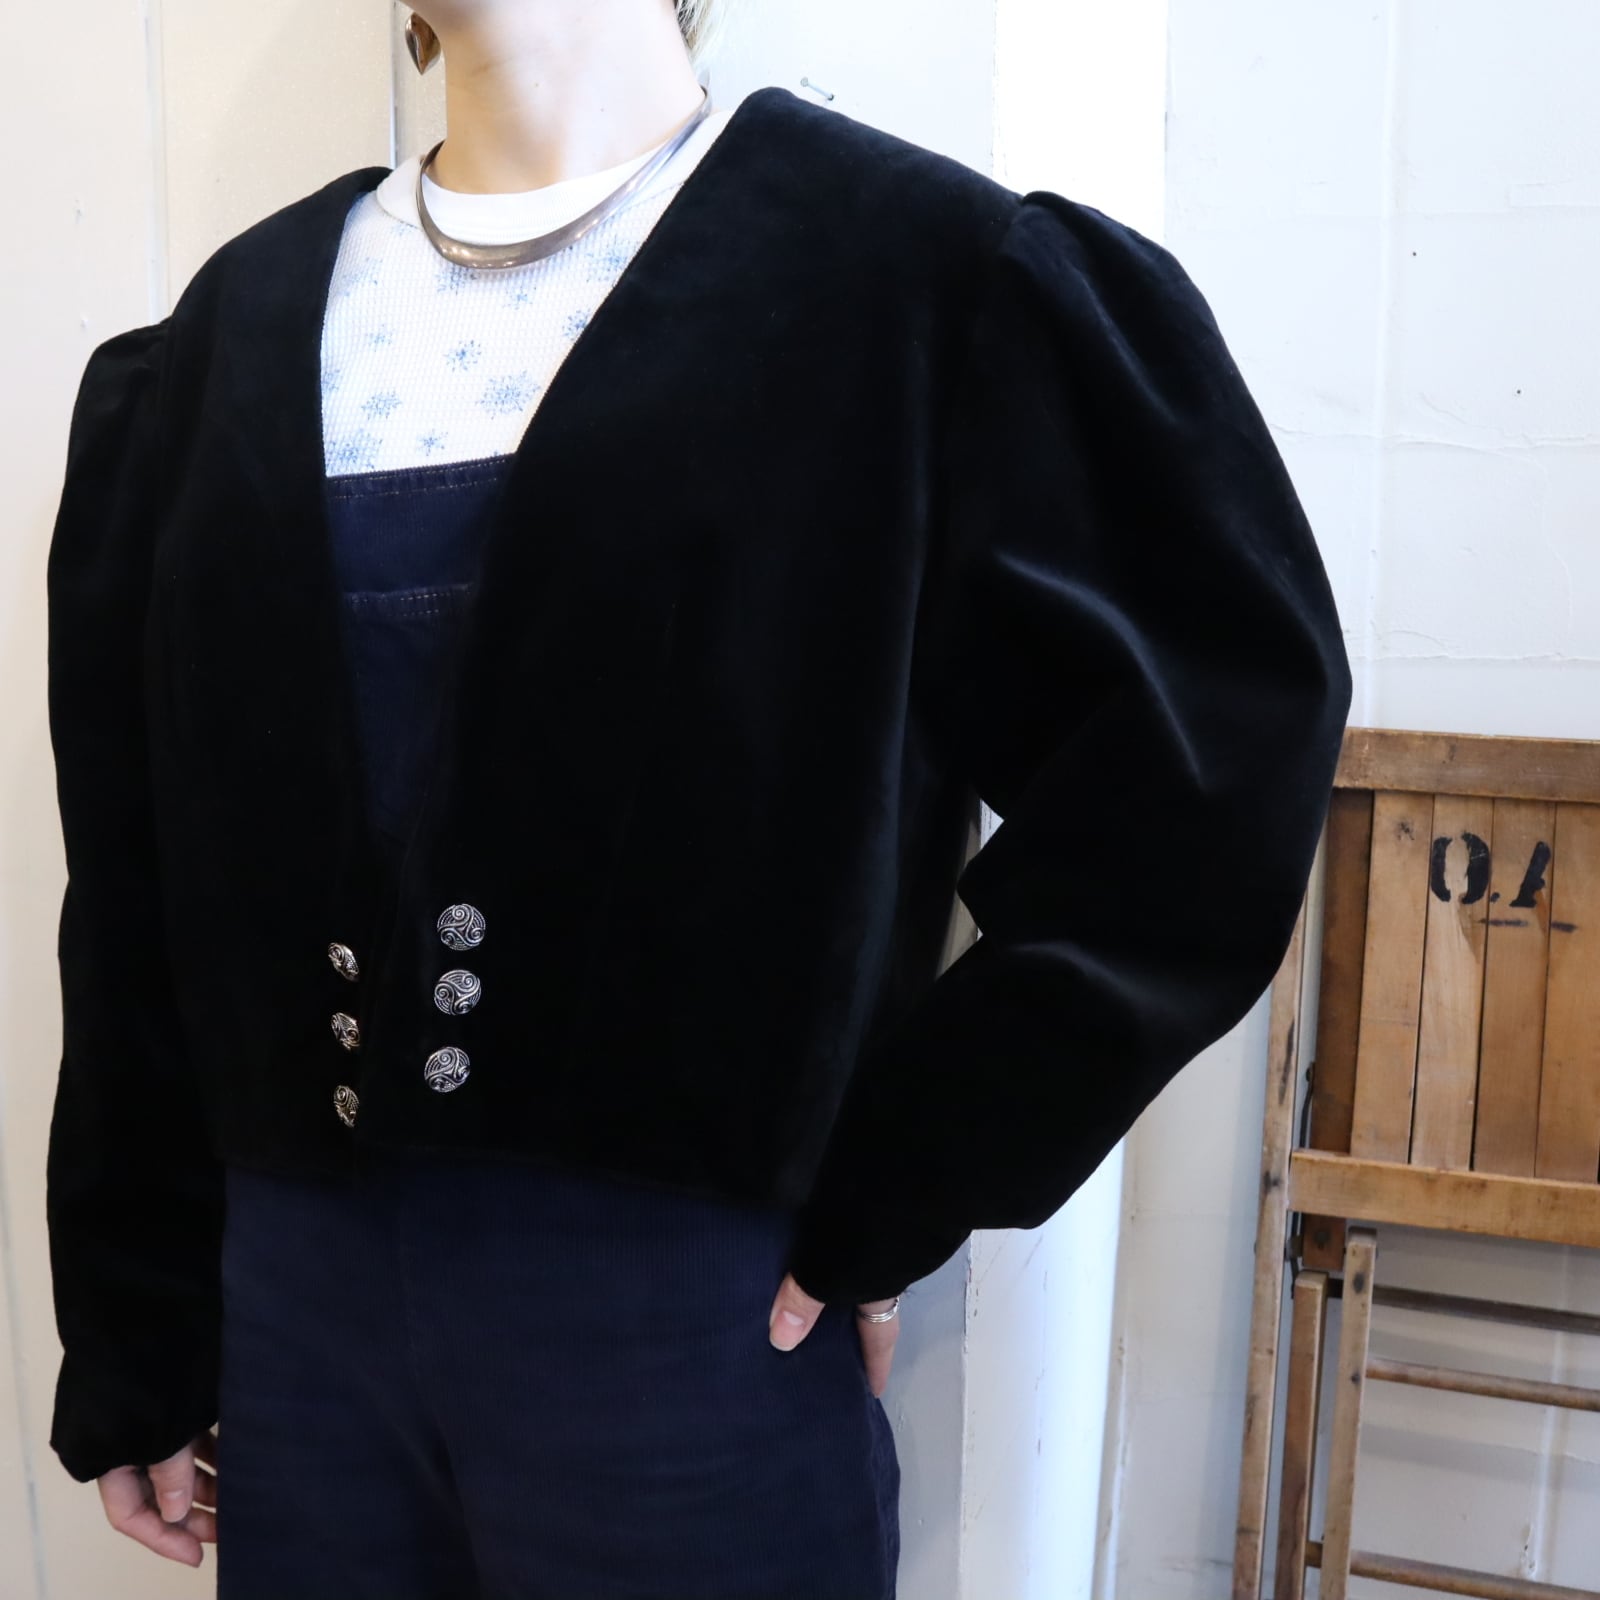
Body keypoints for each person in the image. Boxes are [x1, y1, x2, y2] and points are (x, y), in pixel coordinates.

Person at [40, 0, 1353, 1594]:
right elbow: (137, 876)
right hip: (299, 1339)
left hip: (696, 1324)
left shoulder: (912, 279)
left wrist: (914, 1163)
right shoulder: (225, 340)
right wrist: (137, 1313)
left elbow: (1203, 774)